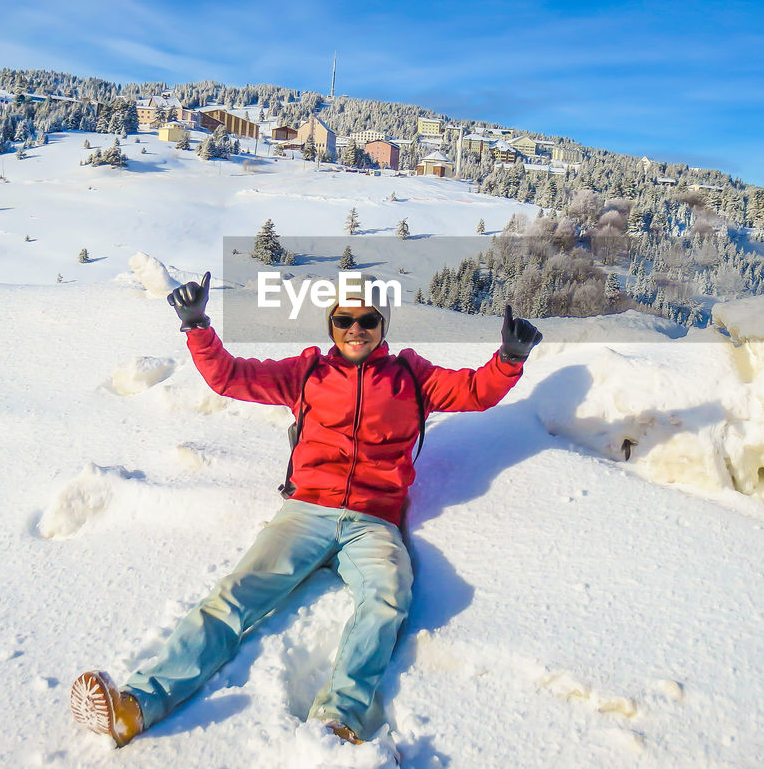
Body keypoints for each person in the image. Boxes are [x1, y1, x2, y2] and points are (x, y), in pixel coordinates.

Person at [71, 271, 542, 747]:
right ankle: (138, 704)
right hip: (306, 511)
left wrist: (509, 358)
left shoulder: (411, 378)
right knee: (235, 597)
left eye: (367, 320)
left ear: (383, 325)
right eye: (343, 319)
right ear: (331, 324)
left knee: (387, 598)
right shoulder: (307, 372)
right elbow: (230, 377)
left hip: (374, 523)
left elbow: (473, 391)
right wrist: (197, 326)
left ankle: (341, 718)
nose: (355, 329)